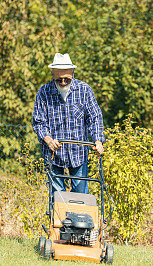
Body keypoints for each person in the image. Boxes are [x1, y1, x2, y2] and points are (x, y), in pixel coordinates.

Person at [33, 53, 104, 194]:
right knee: (58, 198)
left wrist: (98, 141)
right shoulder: (43, 93)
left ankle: (80, 216)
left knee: (81, 196)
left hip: (78, 153)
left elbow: (94, 117)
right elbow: (39, 122)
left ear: (73, 73)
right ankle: (58, 216)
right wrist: (48, 140)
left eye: (67, 79)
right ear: (52, 74)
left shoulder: (84, 90)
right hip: (53, 154)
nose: (63, 83)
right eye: (59, 80)